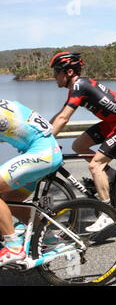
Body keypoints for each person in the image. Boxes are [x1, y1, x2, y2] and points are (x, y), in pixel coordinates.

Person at [49, 52, 116, 232]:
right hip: (112, 122)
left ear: (68, 72)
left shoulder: (79, 86)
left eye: (56, 72)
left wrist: (46, 138)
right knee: (78, 146)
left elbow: (64, 118)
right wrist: (43, 129)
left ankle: (108, 212)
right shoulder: (77, 86)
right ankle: (114, 176)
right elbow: (60, 114)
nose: (54, 76)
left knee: (95, 166)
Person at [0, 99, 62, 266]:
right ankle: (47, 236)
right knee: (9, 202)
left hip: (42, 154)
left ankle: (13, 246)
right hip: (44, 152)